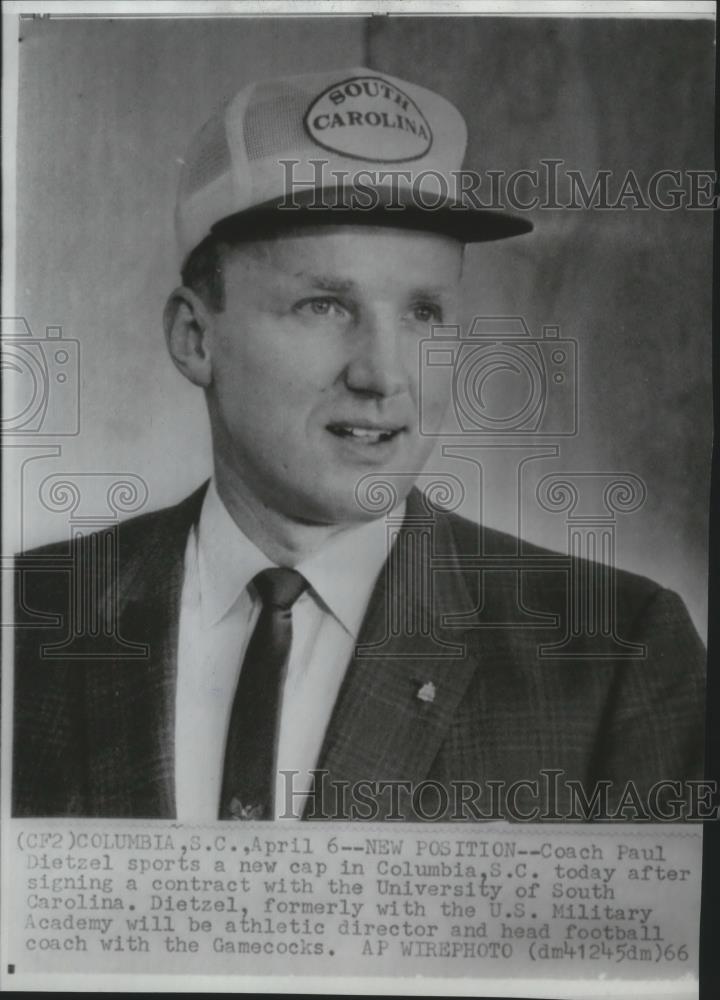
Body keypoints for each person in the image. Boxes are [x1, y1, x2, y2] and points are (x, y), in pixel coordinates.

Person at [12, 67, 705, 821]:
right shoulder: (27, 619)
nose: (383, 374)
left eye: (424, 313)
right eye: (324, 305)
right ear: (194, 337)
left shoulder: (614, 656)